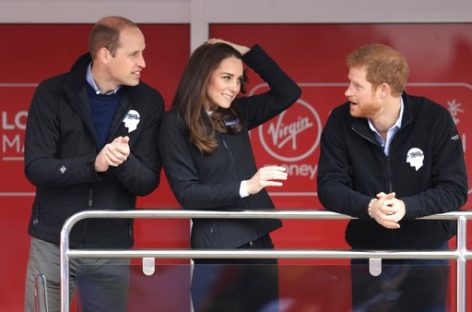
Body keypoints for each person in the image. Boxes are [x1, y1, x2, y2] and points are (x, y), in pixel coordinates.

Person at [24, 16, 164, 312]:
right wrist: (93, 164)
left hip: (110, 247)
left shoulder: (149, 101)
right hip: (52, 243)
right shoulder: (52, 93)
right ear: (104, 54)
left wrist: (121, 161)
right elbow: (36, 167)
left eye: (144, 52)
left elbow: (148, 181)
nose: (143, 62)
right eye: (133, 54)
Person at [317, 43, 468, 311]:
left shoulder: (434, 118)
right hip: (370, 251)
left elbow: (455, 188)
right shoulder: (340, 120)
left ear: (383, 90)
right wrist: (370, 207)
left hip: (427, 252)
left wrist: (406, 207)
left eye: (356, 85)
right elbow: (329, 186)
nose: (347, 91)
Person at [158, 39, 301, 311]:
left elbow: (288, 92)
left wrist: (245, 52)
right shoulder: (174, 124)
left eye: (239, 79)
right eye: (226, 77)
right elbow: (188, 195)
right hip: (219, 249)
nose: (234, 87)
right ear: (203, 75)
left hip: (260, 242)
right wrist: (247, 186)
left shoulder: (237, 113)